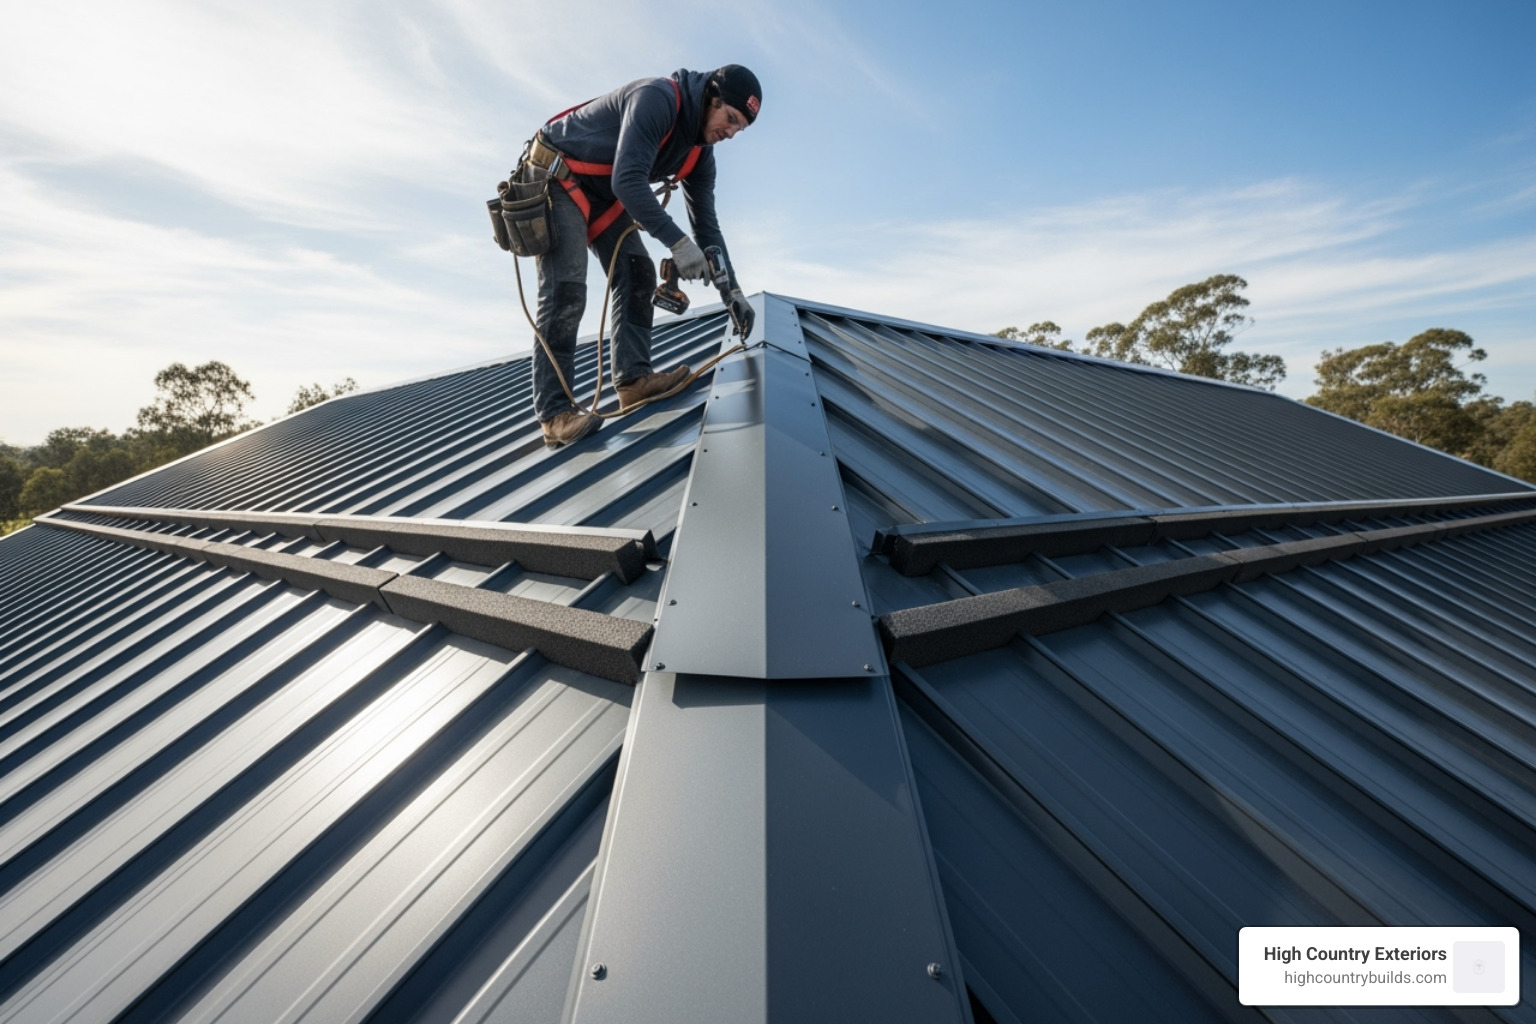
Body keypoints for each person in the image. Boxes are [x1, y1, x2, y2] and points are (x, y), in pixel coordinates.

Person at [519, 64, 760, 448]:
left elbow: (708, 229)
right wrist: (678, 244)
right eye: (730, 118)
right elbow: (628, 180)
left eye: (739, 129)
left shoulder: (700, 155)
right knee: (566, 288)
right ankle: (554, 415)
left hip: (602, 192)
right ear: (711, 97)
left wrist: (732, 293)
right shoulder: (657, 99)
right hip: (557, 172)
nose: (730, 133)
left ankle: (633, 381)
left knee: (638, 272)